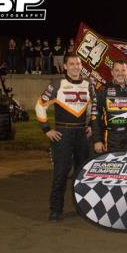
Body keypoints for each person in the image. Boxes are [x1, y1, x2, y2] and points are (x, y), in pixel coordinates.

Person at [35, 54, 93, 222]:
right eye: (72, 64)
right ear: (65, 66)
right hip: (63, 134)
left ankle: (83, 209)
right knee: (61, 173)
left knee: (83, 174)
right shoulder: (57, 84)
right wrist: (46, 129)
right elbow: (39, 105)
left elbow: (91, 108)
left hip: (82, 134)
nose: (75, 67)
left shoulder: (88, 85)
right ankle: (55, 210)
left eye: (78, 64)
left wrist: (89, 125)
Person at [92, 59, 127, 152]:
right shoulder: (103, 90)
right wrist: (97, 140)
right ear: (112, 72)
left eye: (123, 70)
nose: (120, 73)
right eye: (117, 70)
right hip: (110, 136)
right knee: (110, 166)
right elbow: (95, 116)